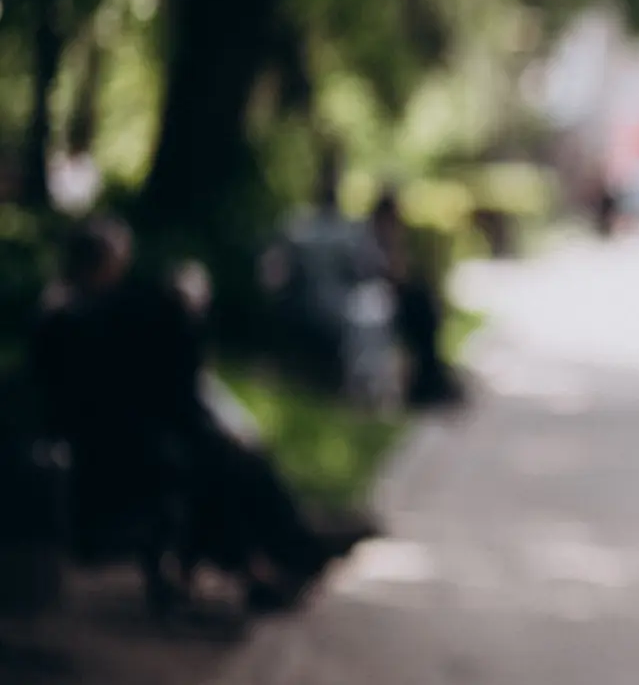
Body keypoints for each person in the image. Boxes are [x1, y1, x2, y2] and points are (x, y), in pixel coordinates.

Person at [29, 215, 371, 611]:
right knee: (216, 461)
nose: (121, 271)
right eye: (116, 261)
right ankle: (278, 555)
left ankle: (283, 549)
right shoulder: (75, 314)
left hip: (123, 437)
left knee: (225, 456)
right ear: (100, 261)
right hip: (107, 448)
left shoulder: (79, 311)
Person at [369, 189, 461, 407]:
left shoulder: (392, 240)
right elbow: (389, 274)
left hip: (399, 299)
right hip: (383, 300)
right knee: (421, 311)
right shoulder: (373, 241)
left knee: (426, 308)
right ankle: (429, 383)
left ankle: (432, 378)